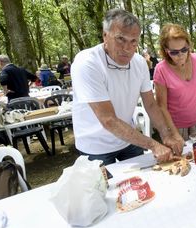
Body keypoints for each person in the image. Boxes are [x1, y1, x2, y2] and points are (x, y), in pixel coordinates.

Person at [71, 9, 181, 165]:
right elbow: (108, 119)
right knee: (107, 189)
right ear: (105, 36)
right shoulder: (87, 63)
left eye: (133, 41)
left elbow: (150, 103)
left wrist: (166, 135)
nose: (127, 48)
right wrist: (153, 145)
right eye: (120, 39)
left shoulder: (139, 62)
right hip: (95, 145)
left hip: (128, 139)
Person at [153, 23, 196, 142]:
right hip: (175, 127)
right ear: (166, 50)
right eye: (174, 52)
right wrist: (174, 134)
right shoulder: (161, 70)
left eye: (184, 50)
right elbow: (161, 106)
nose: (180, 55)